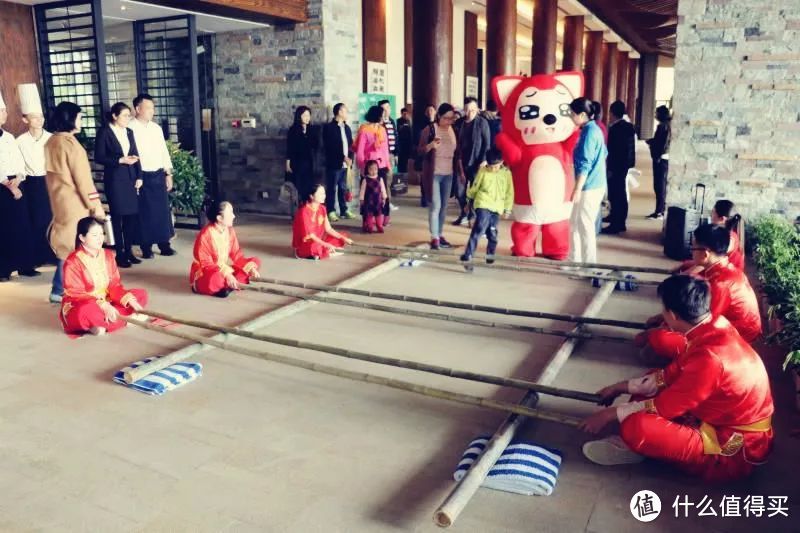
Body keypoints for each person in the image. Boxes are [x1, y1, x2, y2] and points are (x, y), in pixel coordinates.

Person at [581, 275, 774, 483]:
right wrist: (620, 387)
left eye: (663, 310)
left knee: (636, 427)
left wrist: (611, 414)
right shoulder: (715, 325)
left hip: (734, 447)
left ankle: (641, 447)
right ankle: (652, 440)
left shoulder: (710, 358)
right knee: (651, 380)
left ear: (672, 315)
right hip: (718, 415)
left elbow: (664, 407)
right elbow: (669, 374)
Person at [637, 224, 762, 361]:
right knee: (656, 332)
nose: (691, 252)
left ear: (706, 254)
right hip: (725, 328)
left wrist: (660, 330)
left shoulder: (721, 285)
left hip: (736, 339)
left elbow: (700, 323)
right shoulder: (720, 270)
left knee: (656, 340)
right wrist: (662, 318)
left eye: (693, 248)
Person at [45, 101, 104, 304]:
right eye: (79, 117)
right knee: (73, 246)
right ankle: (60, 289)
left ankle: (64, 287)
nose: (81, 121)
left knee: (67, 244)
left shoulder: (51, 141)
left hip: (59, 200)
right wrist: (96, 207)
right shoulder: (71, 144)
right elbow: (84, 181)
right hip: (75, 202)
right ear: (69, 119)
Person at [60, 217, 148, 336]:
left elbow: (114, 285)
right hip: (84, 303)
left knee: (140, 294)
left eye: (102, 233)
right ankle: (127, 321)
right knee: (84, 312)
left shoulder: (108, 255)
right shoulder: (72, 262)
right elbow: (76, 294)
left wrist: (131, 301)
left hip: (108, 299)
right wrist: (103, 305)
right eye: (95, 235)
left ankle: (101, 325)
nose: (100, 238)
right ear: (82, 238)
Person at [94, 102, 142, 268]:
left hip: (130, 178)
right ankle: (120, 253)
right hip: (115, 179)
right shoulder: (105, 132)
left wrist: (139, 176)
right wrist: (119, 160)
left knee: (132, 217)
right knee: (118, 216)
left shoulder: (129, 132)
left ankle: (128, 250)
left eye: (129, 116)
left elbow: (136, 154)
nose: (128, 119)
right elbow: (99, 157)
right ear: (114, 116)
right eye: (124, 116)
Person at [128, 94, 176, 259]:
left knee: (162, 211)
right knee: (145, 213)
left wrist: (168, 173)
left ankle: (164, 244)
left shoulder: (156, 128)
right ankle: (146, 247)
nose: (151, 111)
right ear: (138, 109)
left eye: (152, 108)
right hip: (141, 175)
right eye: (148, 108)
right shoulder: (129, 127)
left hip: (157, 174)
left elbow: (163, 151)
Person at [0, 89, 39, 282]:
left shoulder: (8, 136)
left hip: (16, 182)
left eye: (4, 110)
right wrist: (9, 185)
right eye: (1, 111)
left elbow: (19, 162)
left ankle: (25, 265)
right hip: (1, 187)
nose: (5, 114)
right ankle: (3, 269)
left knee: (22, 226)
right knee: (3, 228)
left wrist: (19, 178)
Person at [16, 83, 55, 267]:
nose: (39, 120)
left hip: (50, 180)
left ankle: (55, 253)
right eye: (34, 117)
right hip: (31, 183)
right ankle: (40, 254)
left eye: (41, 117)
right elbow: (19, 165)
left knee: (54, 218)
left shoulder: (51, 138)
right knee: (37, 219)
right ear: (25, 120)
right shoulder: (20, 141)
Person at [190, 201, 261, 298]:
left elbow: (237, 254)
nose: (234, 216)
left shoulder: (230, 230)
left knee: (254, 263)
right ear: (219, 218)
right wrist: (227, 274)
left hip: (221, 267)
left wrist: (251, 269)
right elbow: (206, 264)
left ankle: (226, 285)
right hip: (206, 271)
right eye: (230, 213)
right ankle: (226, 284)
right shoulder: (205, 235)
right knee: (215, 279)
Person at [568, 97, 607, 265]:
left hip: (589, 187)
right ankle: (574, 261)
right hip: (592, 184)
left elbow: (585, 163)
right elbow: (604, 153)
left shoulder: (590, 133)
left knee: (584, 227)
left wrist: (577, 188)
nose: (571, 117)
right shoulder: (592, 129)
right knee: (575, 225)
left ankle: (588, 266)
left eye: (572, 114)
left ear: (582, 114)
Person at [459, 148, 513, 269]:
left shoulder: (506, 174)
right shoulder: (483, 171)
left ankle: (490, 255)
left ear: (502, 162)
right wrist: (468, 201)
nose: (493, 169)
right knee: (479, 228)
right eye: (490, 166)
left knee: (492, 233)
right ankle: (468, 256)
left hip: (497, 207)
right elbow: (475, 187)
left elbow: (510, 192)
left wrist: (507, 209)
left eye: (496, 166)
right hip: (483, 203)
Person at [418, 103, 459, 250]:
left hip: (448, 174)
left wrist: (460, 173)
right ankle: (434, 237)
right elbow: (419, 151)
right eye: (446, 118)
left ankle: (440, 234)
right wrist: (430, 146)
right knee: (435, 205)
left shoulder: (453, 130)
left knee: (444, 207)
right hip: (433, 173)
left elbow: (457, 154)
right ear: (439, 116)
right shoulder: (429, 130)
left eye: (451, 119)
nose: (449, 121)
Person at [453, 97, 492, 227]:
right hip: (461, 162)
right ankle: (464, 211)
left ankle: (472, 215)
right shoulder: (459, 123)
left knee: (475, 191)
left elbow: (487, 143)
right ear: (464, 110)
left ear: (477, 110)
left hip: (477, 162)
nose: (470, 113)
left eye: (473, 110)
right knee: (459, 191)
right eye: (467, 110)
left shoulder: (482, 123)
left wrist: (484, 160)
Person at [292, 183, 353, 260]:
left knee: (342, 236)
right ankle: (321, 252)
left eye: (324, 193)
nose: (323, 196)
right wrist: (326, 244)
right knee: (314, 246)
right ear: (311, 196)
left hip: (319, 240)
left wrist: (343, 238)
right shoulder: (304, 211)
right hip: (306, 243)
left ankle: (322, 252)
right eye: (320, 194)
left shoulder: (322, 208)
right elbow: (311, 235)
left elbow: (329, 229)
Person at [353, 105, 392, 224]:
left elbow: (385, 149)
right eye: (381, 115)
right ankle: (367, 218)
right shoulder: (364, 129)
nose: (383, 117)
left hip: (381, 165)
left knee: (383, 191)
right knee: (367, 194)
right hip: (368, 165)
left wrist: (388, 164)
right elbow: (360, 150)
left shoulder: (382, 129)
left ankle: (384, 216)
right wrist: (362, 167)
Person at [603, 101, 636, 235]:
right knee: (621, 193)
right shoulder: (629, 126)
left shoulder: (615, 129)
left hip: (616, 166)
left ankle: (616, 223)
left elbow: (612, 151)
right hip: (625, 165)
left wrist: (609, 168)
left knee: (615, 193)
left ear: (612, 113)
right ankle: (620, 219)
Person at [322, 102, 354, 222]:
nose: (347, 114)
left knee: (343, 188)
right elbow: (330, 146)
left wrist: (350, 158)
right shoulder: (329, 128)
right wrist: (342, 157)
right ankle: (331, 211)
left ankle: (344, 209)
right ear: (339, 112)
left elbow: (351, 145)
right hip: (334, 163)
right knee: (332, 188)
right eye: (345, 111)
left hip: (346, 164)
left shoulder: (347, 128)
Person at [645, 105, 672, 220]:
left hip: (661, 159)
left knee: (659, 185)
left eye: (656, 113)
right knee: (659, 185)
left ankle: (660, 211)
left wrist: (657, 155)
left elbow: (663, 144)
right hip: (661, 158)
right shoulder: (665, 126)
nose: (655, 115)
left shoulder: (664, 127)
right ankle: (659, 210)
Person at [414, 105, 437, 207]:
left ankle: (432, 196)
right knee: (424, 177)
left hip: (435, 155)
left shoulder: (437, 123)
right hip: (424, 153)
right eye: (428, 110)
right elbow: (418, 138)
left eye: (432, 110)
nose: (431, 112)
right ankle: (424, 197)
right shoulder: (420, 124)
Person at [359, 160, 388, 233]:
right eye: (371, 169)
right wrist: (361, 199)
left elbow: (383, 189)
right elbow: (362, 190)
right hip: (368, 202)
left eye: (375, 169)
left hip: (378, 201)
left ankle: (379, 226)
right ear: (367, 170)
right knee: (369, 215)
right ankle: (370, 227)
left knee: (379, 214)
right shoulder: (365, 180)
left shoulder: (380, 179)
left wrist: (384, 197)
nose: (373, 171)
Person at [396, 107, 413, 176]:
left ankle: (406, 178)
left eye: (406, 114)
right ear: (401, 114)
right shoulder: (398, 121)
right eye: (404, 114)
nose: (405, 115)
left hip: (408, 145)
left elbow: (411, 133)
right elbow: (397, 132)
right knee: (400, 163)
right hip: (400, 145)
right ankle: (400, 178)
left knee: (407, 163)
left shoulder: (409, 121)